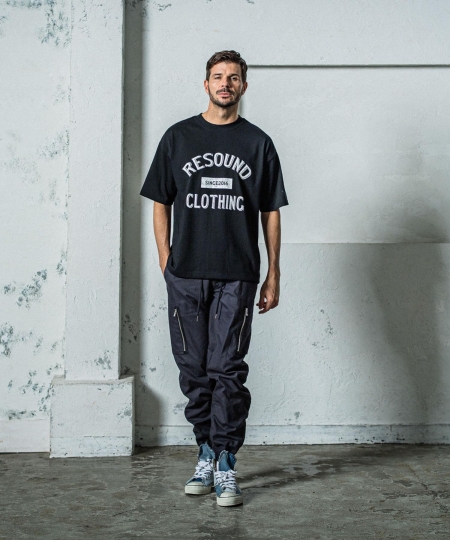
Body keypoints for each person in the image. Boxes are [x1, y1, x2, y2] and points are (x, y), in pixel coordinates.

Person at [140, 50, 289, 507]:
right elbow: (160, 200)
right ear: (206, 84)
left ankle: (225, 461)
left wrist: (273, 273)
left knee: (227, 369)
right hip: (186, 274)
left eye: (234, 77)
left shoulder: (258, 143)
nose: (226, 83)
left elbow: (270, 212)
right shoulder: (178, 137)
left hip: (237, 275)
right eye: (218, 76)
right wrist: (165, 258)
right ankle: (204, 449)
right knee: (194, 370)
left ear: (243, 86)